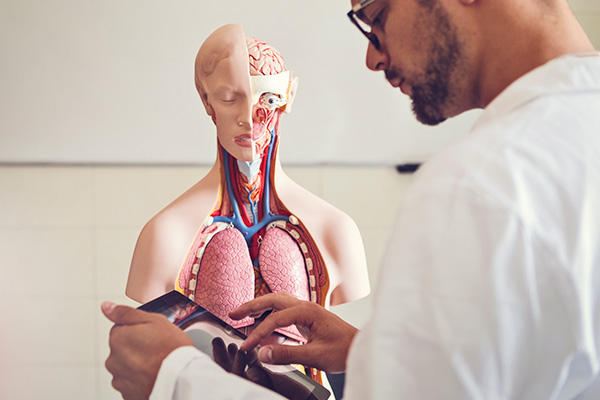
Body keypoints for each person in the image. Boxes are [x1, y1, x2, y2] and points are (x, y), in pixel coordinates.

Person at [104, 0, 600, 398]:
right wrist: (367, 355)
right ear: (206, 101)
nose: (373, 58)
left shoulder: (479, 184)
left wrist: (177, 379)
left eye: (377, 16)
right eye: (230, 98)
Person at [125, 23, 369, 385]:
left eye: (267, 99)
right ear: (205, 99)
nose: (249, 116)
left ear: (290, 95)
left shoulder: (336, 230)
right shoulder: (164, 234)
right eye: (230, 97)